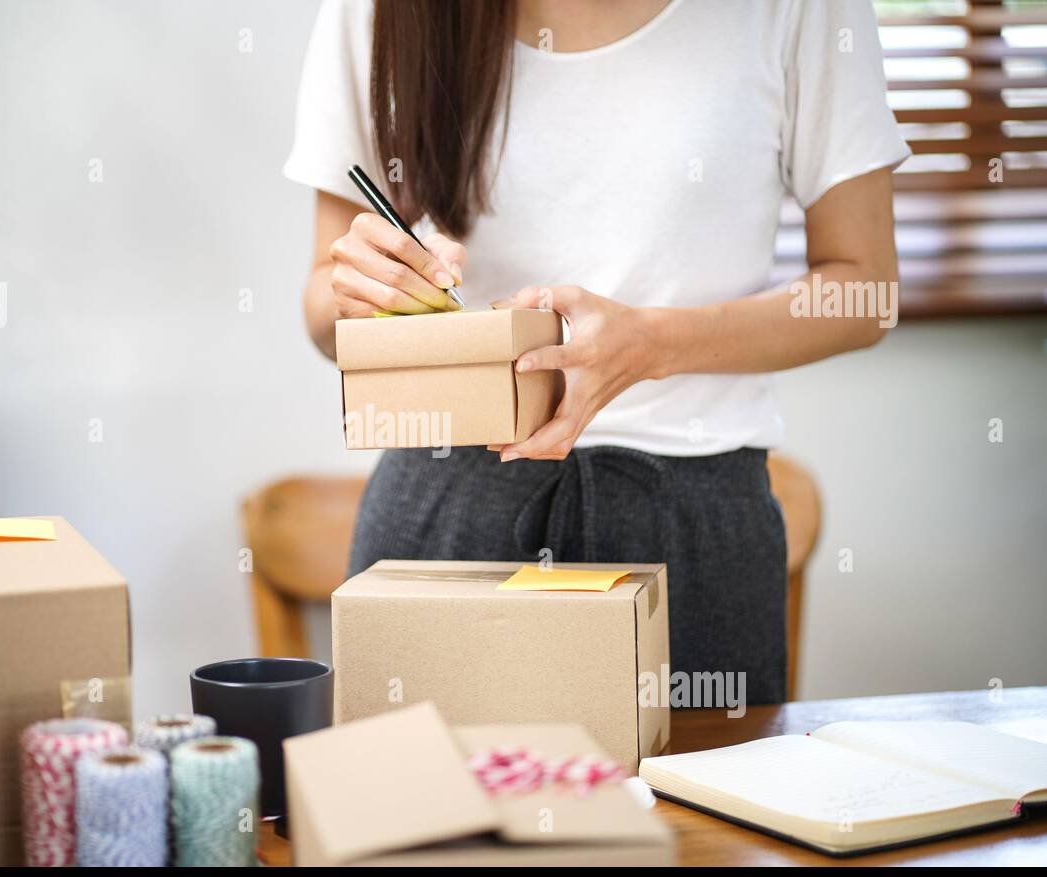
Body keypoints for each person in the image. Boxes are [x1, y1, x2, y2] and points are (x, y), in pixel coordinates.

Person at [284, 0, 909, 704]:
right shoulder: (379, 13)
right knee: (422, 804)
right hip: (443, 509)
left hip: (692, 525)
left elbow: (867, 290)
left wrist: (655, 343)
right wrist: (361, 293)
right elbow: (321, 307)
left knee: (697, 807)